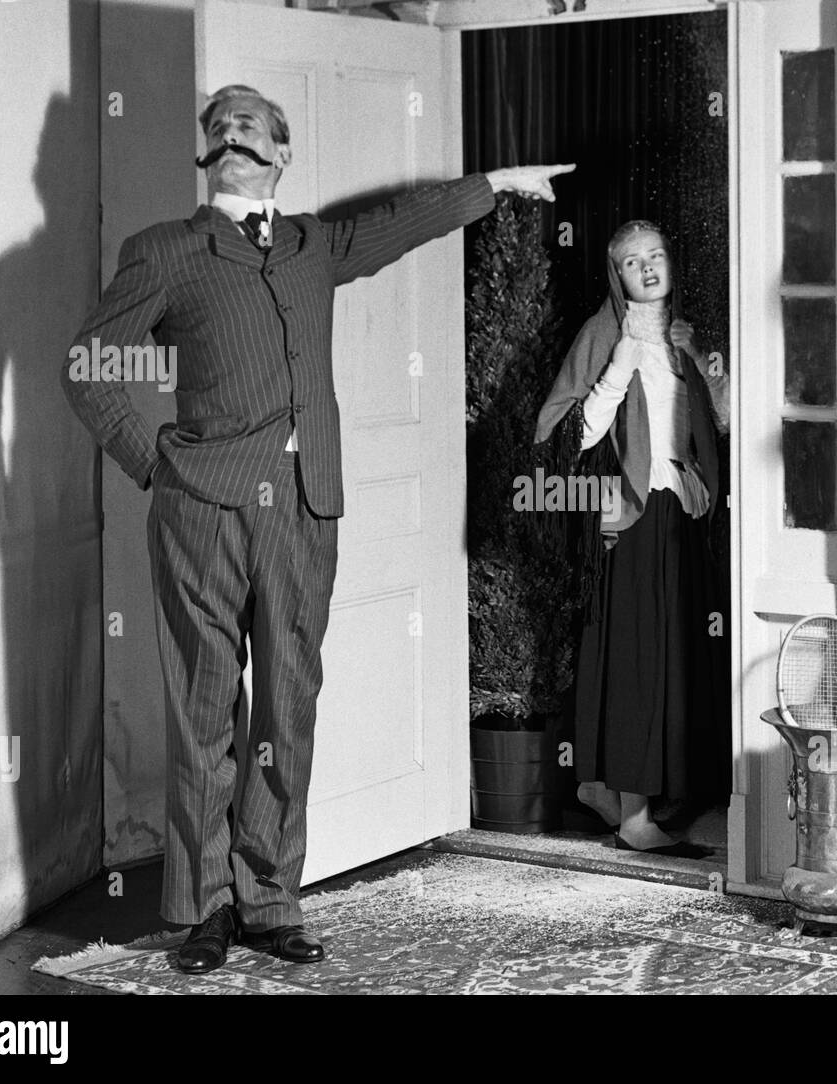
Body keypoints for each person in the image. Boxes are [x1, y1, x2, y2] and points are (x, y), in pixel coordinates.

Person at [62, 84, 572, 974]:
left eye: (251, 124)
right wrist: (157, 462)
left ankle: (269, 901)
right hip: (202, 512)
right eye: (219, 126)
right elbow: (90, 365)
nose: (232, 133)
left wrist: (495, 181)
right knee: (203, 707)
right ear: (206, 154)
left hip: (305, 505)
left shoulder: (312, 245)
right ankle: (202, 911)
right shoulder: (168, 251)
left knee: (286, 707)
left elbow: (401, 221)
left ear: (284, 153)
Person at [534, 220, 730, 857]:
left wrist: (712, 379)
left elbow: (711, 424)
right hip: (626, 513)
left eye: (656, 256)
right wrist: (617, 369)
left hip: (677, 505)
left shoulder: (683, 338)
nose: (646, 270)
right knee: (637, 659)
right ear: (613, 275)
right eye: (630, 263)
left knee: (667, 655)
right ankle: (634, 816)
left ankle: (599, 785)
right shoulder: (603, 333)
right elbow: (564, 435)